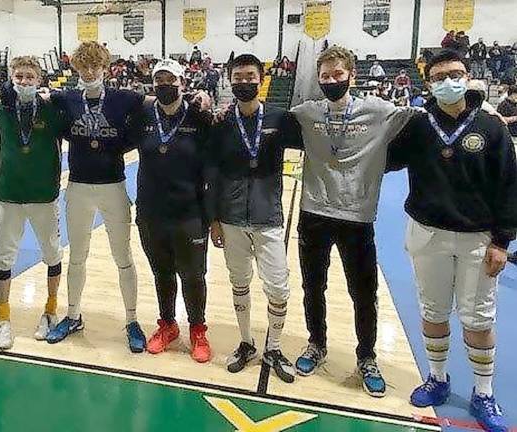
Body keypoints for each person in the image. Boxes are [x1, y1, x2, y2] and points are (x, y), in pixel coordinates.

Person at [386, 49, 516, 432]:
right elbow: (388, 160)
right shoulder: (418, 124)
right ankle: (438, 378)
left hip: (479, 238)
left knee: (478, 318)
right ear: (428, 83)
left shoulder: (491, 126)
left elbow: (510, 185)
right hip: (428, 234)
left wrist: (501, 242)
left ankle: (484, 391)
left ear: (469, 75)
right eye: (439, 76)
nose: (448, 81)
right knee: (433, 311)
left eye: (455, 73)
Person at [290, 46, 422, 398]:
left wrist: (484, 110)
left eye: (338, 74)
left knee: (363, 294)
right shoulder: (306, 112)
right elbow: (269, 122)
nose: (332, 81)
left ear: (352, 74)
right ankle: (316, 344)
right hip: (314, 214)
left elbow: (422, 119)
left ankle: (366, 357)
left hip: (357, 218)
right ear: (318, 78)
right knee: (312, 288)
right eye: (325, 76)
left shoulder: (379, 111)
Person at [41, 41, 147, 353]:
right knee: (77, 256)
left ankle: (131, 320)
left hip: (114, 185)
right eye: (83, 66)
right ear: (75, 68)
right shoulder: (66, 98)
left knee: (123, 257)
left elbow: (153, 101)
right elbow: (35, 95)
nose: (89, 72)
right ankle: (73, 316)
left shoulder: (124, 98)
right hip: (77, 186)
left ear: (105, 68)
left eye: (95, 66)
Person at [209, 54, 303, 383]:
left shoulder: (281, 118)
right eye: (238, 77)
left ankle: (274, 347)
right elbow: (213, 172)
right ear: (229, 80)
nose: (244, 82)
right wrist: (214, 218)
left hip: (269, 217)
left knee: (278, 289)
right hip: (231, 218)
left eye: (251, 76)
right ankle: (247, 342)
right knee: (239, 283)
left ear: (262, 78)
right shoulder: (221, 123)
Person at [128, 59, 213, 363]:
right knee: (162, 273)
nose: (165, 85)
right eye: (159, 80)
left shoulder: (199, 116)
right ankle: (167, 325)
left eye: (170, 80)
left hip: (190, 213)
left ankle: (198, 328)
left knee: (193, 276)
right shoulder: (142, 117)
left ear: (182, 82)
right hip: (151, 213)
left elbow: (213, 165)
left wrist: (213, 216)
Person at [0, 56, 67, 350]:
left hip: (43, 195)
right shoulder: (0, 110)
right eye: (18, 76)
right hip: (8, 194)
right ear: (11, 78)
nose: (23, 81)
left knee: (51, 252)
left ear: (39, 80)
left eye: (29, 77)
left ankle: (50, 310)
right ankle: (4, 317)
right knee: (4, 255)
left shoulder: (52, 109)